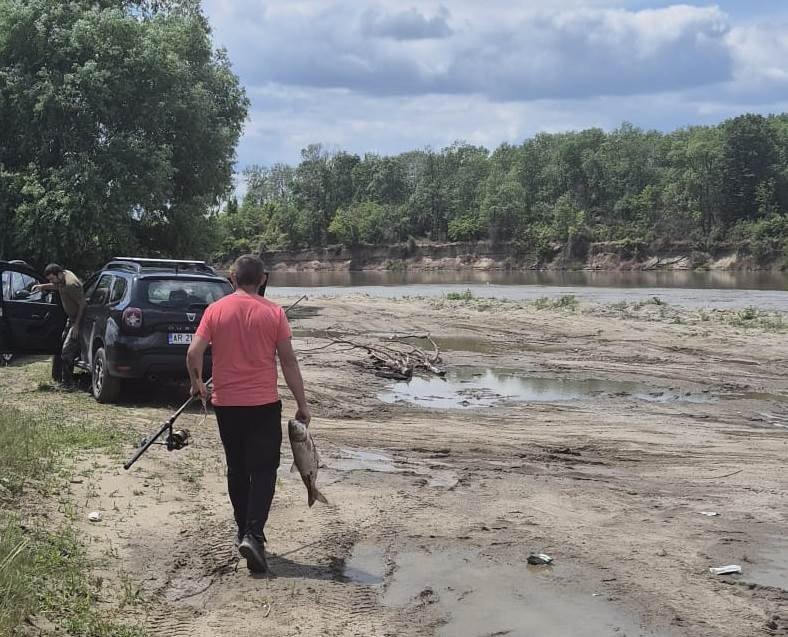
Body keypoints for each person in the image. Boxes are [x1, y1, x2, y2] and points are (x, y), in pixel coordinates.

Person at [186, 254, 310, 573]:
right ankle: (253, 534)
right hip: (263, 405)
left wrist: (198, 383)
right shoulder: (274, 313)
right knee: (265, 469)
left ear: (232, 278)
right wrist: (302, 403)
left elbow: (193, 352)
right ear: (263, 279)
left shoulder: (215, 310)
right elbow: (288, 361)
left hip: (227, 405)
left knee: (237, 468)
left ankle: (243, 531)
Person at [32, 264, 85, 389]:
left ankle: (68, 384)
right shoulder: (62, 278)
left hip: (78, 320)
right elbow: (57, 286)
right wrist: (43, 286)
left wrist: (77, 325)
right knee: (62, 344)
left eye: (52, 278)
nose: (51, 281)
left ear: (59, 274)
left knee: (67, 351)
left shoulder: (71, 285)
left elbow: (83, 304)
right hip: (70, 318)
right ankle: (61, 377)